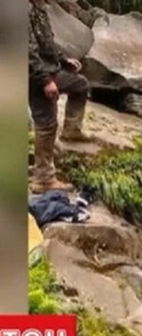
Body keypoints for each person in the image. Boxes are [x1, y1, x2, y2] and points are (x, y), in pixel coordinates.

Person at [29, 0, 92, 193]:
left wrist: (64, 59)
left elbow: (46, 42)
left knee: (80, 85)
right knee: (46, 125)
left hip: (48, 70)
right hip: (34, 77)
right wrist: (46, 81)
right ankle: (43, 178)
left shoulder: (39, 8)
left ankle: (72, 129)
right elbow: (27, 53)